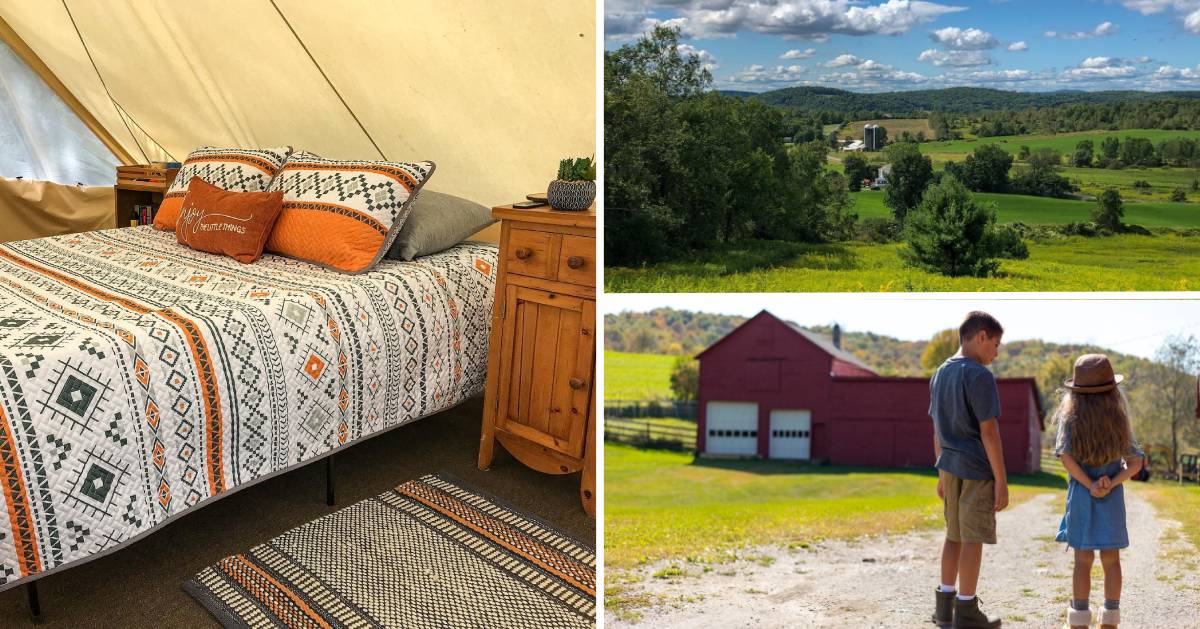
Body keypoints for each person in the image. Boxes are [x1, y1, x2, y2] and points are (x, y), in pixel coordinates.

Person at [1053, 354, 1144, 629]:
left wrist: (1089, 484)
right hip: (1111, 499)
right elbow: (1136, 463)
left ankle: (1079, 619)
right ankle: (1110, 619)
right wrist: (1111, 482)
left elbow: (1065, 457)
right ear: (1112, 390)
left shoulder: (1070, 417)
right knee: (1111, 560)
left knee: (1082, 560)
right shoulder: (1119, 417)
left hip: (1082, 496)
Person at [929, 311, 1007, 628]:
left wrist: (940, 473)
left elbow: (936, 428)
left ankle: (944, 608)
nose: (996, 352)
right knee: (972, 538)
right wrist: (1001, 480)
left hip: (949, 466)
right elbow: (989, 432)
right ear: (981, 336)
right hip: (976, 468)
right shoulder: (979, 375)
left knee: (953, 536)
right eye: (996, 344)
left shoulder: (940, 373)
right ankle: (966, 611)